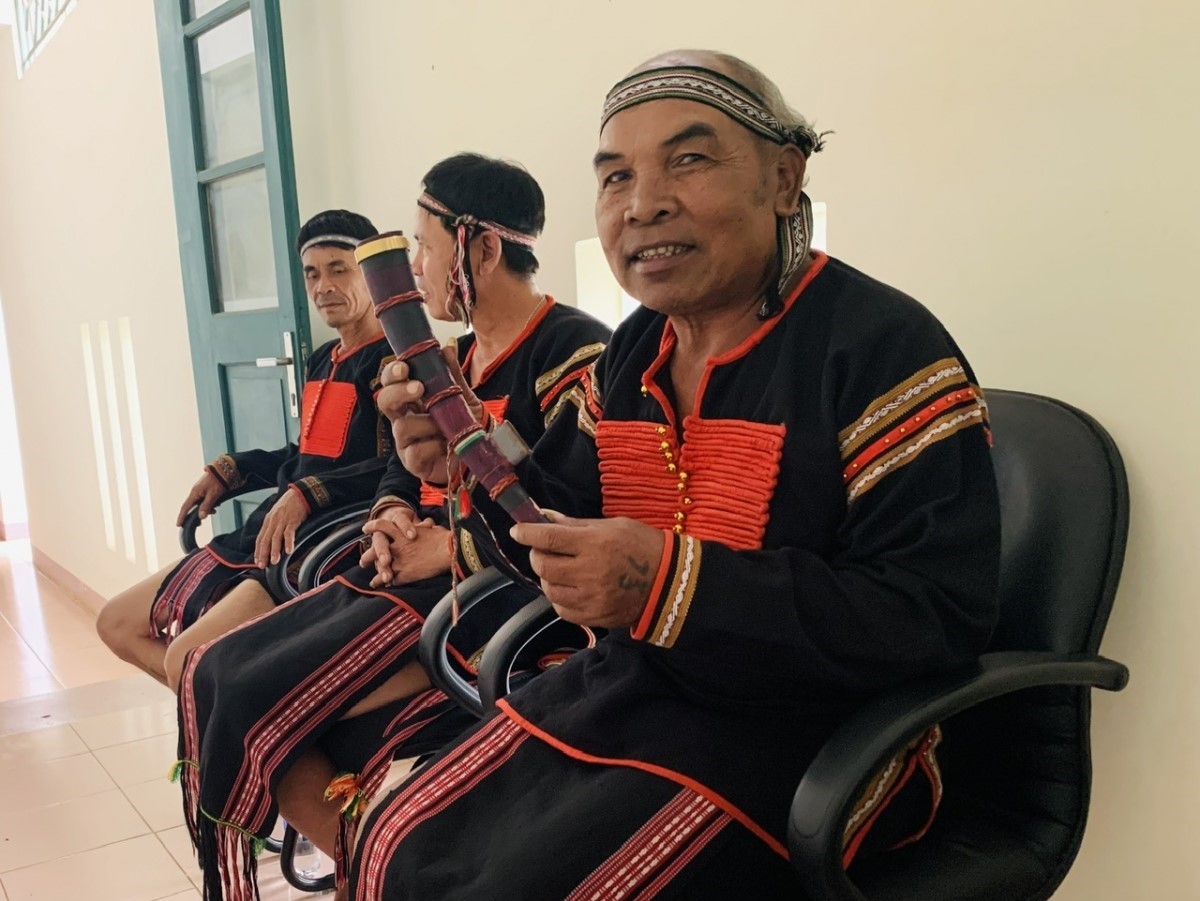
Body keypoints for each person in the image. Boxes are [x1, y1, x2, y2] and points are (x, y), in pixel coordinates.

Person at [352, 51, 1002, 899]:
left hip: (817, 738)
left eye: (688, 160)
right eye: (615, 176)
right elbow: (546, 529)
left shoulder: (881, 347)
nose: (643, 202)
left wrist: (667, 579)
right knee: (394, 842)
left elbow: (933, 617)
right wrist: (465, 460)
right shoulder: (633, 349)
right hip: (639, 688)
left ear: (783, 178)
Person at [174, 154, 612, 901]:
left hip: (495, 593)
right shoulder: (455, 357)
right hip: (416, 572)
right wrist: (393, 513)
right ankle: (367, 866)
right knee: (213, 671)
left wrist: (453, 543)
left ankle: (374, 871)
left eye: (423, 245)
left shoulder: (574, 353)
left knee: (256, 702)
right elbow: (403, 471)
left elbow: (575, 505)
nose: (413, 267)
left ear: (481, 248)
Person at [96, 210, 408, 688]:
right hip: (270, 531)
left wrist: (307, 494)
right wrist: (231, 470)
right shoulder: (323, 359)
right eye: (312, 274)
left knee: (190, 660)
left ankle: (230, 714)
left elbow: (397, 468)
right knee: (116, 624)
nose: (323, 286)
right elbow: (306, 455)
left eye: (338, 270)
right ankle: (216, 708)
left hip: (321, 544)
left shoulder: (393, 363)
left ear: (370, 275)